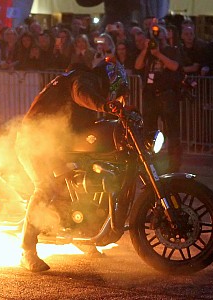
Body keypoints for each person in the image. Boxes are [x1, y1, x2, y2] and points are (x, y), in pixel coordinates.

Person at [15, 58, 129, 272]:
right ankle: (27, 250)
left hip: (57, 143)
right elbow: (81, 94)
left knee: (79, 179)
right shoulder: (82, 79)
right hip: (34, 142)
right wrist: (105, 106)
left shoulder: (79, 79)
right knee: (46, 187)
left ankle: (82, 234)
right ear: (107, 80)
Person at [134, 24, 184, 173]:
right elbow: (138, 66)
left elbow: (175, 66)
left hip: (167, 94)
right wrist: (145, 50)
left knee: (172, 130)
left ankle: (173, 164)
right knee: (149, 131)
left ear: (165, 36)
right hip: (150, 95)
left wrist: (158, 54)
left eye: (159, 35)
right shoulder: (148, 52)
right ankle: (151, 163)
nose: (156, 39)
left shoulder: (172, 50)